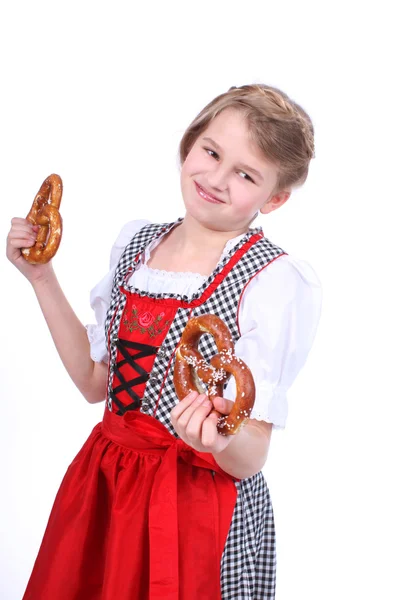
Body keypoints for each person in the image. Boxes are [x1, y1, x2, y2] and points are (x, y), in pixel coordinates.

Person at [6, 83, 322, 600]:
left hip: (198, 506)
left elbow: (251, 455)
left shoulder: (271, 282)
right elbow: (94, 384)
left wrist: (219, 439)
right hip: (108, 486)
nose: (216, 179)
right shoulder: (135, 245)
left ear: (277, 197)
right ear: (189, 143)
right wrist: (41, 277)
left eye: (246, 174)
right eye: (211, 152)